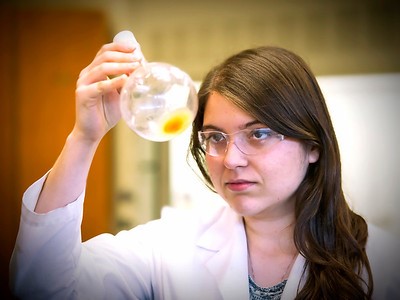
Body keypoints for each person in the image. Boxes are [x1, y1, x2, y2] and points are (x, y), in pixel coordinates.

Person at [9, 38, 400, 300]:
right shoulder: (170, 246)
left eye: (259, 133)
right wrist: (84, 137)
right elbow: (42, 288)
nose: (231, 160)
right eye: (215, 137)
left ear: (313, 145)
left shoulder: (384, 261)